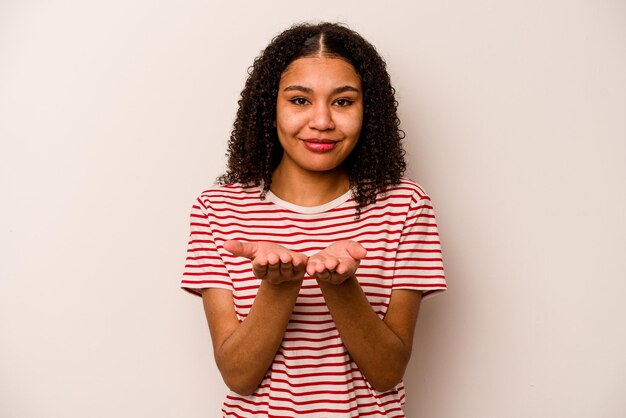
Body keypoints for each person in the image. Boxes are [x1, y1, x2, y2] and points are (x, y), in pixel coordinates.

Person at [181, 22, 446, 417]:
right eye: (300, 100)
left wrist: (339, 286)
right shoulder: (218, 210)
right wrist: (278, 287)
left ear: (367, 112)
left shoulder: (404, 206)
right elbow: (238, 375)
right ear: (270, 109)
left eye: (342, 102)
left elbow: (387, 372)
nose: (321, 121)